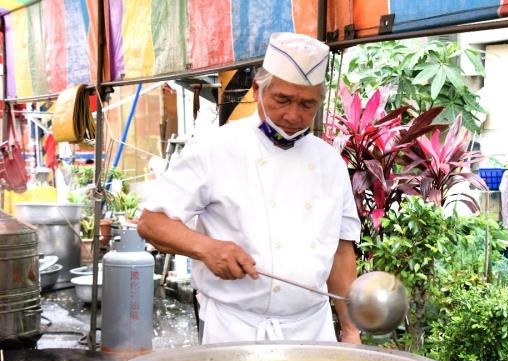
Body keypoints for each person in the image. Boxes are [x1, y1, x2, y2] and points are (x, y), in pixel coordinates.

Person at [138, 32, 361, 344]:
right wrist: (208, 248)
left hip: (312, 330)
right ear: (257, 90)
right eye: (282, 99)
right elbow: (151, 223)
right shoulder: (215, 147)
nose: (293, 115)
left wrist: (350, 329)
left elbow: (340, 249)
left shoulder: (330, 163)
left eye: (307, 104)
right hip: (234, 329)